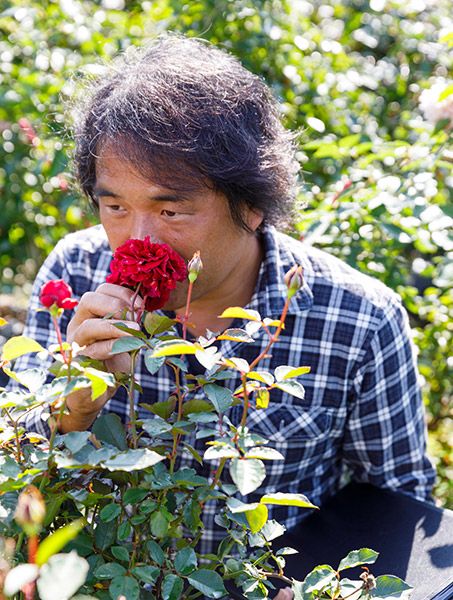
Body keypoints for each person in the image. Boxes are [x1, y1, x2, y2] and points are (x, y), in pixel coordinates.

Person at [9, 34, 434, 595]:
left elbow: (403, 508)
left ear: (253, 203)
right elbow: (18, 475)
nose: (139, 238)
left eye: (172, 209)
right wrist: (76, 405)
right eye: (114, 206)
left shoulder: (359, 318)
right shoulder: (78, 269)